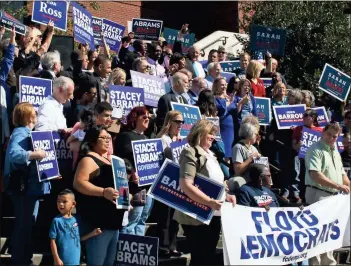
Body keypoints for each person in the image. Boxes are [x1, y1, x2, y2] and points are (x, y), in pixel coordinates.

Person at [174, 119, 236, 266]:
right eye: (210, 133)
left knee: (208, 256)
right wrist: (209, 201)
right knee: (201, 258)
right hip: (197, 216)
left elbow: (215, 183)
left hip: (213, 215)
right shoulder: (191, 152)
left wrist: (226, 196)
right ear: (200, 132)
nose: (213, 136)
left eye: (214, 134)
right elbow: (186, 184)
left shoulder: (212, 155)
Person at [3, 103, 50, 265]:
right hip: (24, 188)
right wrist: (35, 154)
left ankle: (24, 258)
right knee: (24, 225)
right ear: (30, 117)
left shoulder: (27, 132)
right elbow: (14, 154)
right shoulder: (21, 132)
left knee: (27, 224)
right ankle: (20, 260)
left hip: (30, 188)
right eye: (35, 113)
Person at [73, 126, 125, 265]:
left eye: (109, 138)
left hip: (113, 222)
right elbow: (79, 183)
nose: (108, 141)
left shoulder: (111, 160)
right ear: (93, 140)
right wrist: (102, 192)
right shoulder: (89, 160)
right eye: (103, 138)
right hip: (98, 222)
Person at [305, 122, 350, 266]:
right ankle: (316, 264)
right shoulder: (315, 149)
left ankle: (328, 263)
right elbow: (315, 175)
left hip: (332, 197)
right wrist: (338, 186)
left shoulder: (335, 151)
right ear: (323, 132)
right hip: (318, 194)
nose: (331, 138)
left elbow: (342, 174)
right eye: (329, 134)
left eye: (335, 136)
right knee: (317, 234)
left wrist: (347, 186)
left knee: (328, 234)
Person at [114, 107, 153, 236]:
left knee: (142, 220)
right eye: (143, 116)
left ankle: (139, 253)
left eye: (148, 116)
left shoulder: (148, 138)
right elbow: (121, 160)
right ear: (134, 118)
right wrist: (132, 173)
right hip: (133, 187)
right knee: (131, 221)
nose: (147, 119)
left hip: (147, 187)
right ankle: (125, 253)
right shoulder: (126, 136)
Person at [154, 111, 183, 257]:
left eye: (182, 122)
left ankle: (173, 246)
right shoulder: (162, 139)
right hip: (165, 181)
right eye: (177, 121)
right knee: (165, 217)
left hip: (178, 181)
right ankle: (163, 248)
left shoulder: (181, 139)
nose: (180, 125)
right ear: (169, 122)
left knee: (175, 218)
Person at [49, 189, 102, 266]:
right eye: (58, 201)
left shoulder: (76, 219)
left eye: (64, 202)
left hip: (75, 260)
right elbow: (52, 241)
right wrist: (56, 258)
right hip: (62, 261)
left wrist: (93, 233)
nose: (60, 204)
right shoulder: (57, 221)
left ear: (73, 204)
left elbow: (78, 238)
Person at [292, 109, 322, 203]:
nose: (303, 117)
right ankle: (302, 198)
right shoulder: (298, 129)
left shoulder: (320, 131)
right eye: (303, 115)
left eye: (306, 115)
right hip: (302, 159)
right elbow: (294, 146)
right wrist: (298, 145)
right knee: (302, 179)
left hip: (315, 160)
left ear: (312, 118)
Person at [212, 77, 236, 161]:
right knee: (224, 153)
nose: (224, 86)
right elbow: (221, 110)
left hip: (231, 129)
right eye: (222, 85)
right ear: (216, 86)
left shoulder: (229, 97)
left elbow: (235, 109)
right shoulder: (214, 98)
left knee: (230, 154)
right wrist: (229, 102)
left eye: (225, 84)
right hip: (222, 128)